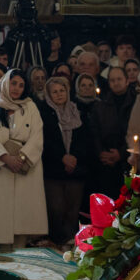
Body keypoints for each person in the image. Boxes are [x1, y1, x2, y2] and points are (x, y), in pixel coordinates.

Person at [0, 70, 47, 249]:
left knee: (22, 221)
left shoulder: (31, 108)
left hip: (25, 168)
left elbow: (37, 136)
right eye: (13, 83)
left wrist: (22, 158)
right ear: (4, 83)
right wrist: (6, 158)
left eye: (21, 85)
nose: (16, 88)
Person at [38, 71, 85, 244]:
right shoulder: (44, 113)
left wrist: (74, 158)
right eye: (55, 92)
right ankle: (57, 242)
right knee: (56, 208)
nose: (59, 94)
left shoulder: (76, 111)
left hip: (75, 169)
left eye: (62, 90)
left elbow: (84, 138)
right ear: (49, 95)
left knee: (73, 209)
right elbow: (45, 140)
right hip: (53, 169)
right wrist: (62, 157)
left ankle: (71, 242)